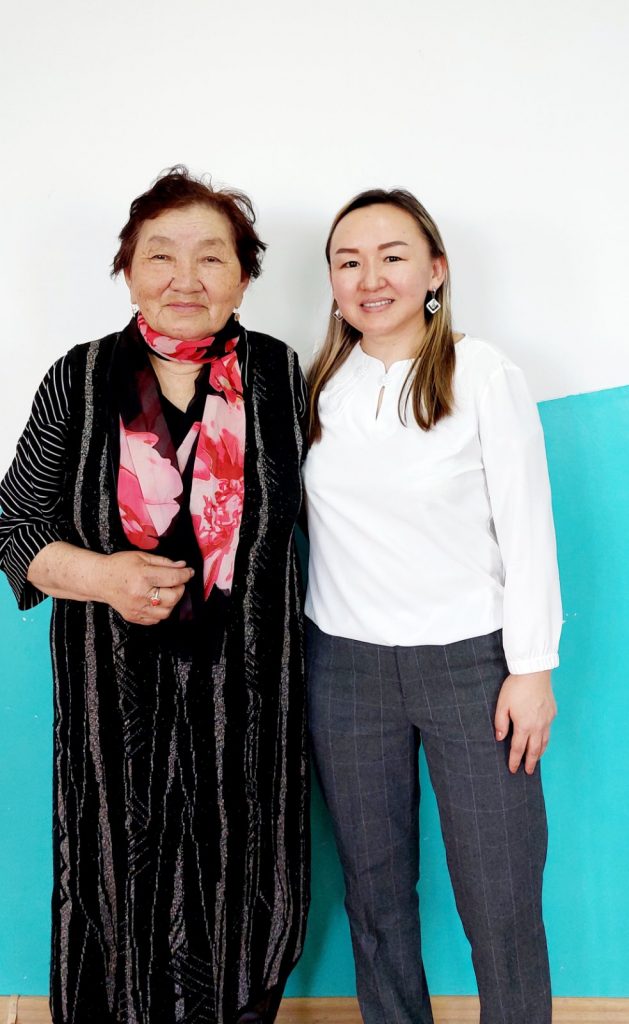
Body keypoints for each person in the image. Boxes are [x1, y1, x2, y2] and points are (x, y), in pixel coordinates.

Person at [0, 167, 309, 1024]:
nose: (185, 278)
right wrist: (102, 576)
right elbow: (13, 522)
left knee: (247, 890)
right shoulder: (80, 377)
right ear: (128, 271)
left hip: (250, 702)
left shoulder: (283, 378)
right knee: (111, 880)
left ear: (243, 277)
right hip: (112, 699)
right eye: (160, 255)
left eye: (211, 257)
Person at [303, 188, 561, 1024]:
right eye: (348, 262)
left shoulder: (481, 373)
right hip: (343, 671)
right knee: (374, 897)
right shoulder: (318, 387)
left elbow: (527, 525)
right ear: (331, 281)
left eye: (392, 256)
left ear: (435, 270)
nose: (369, 278)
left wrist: (531, 669)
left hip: (471, 669)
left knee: (499, 894)